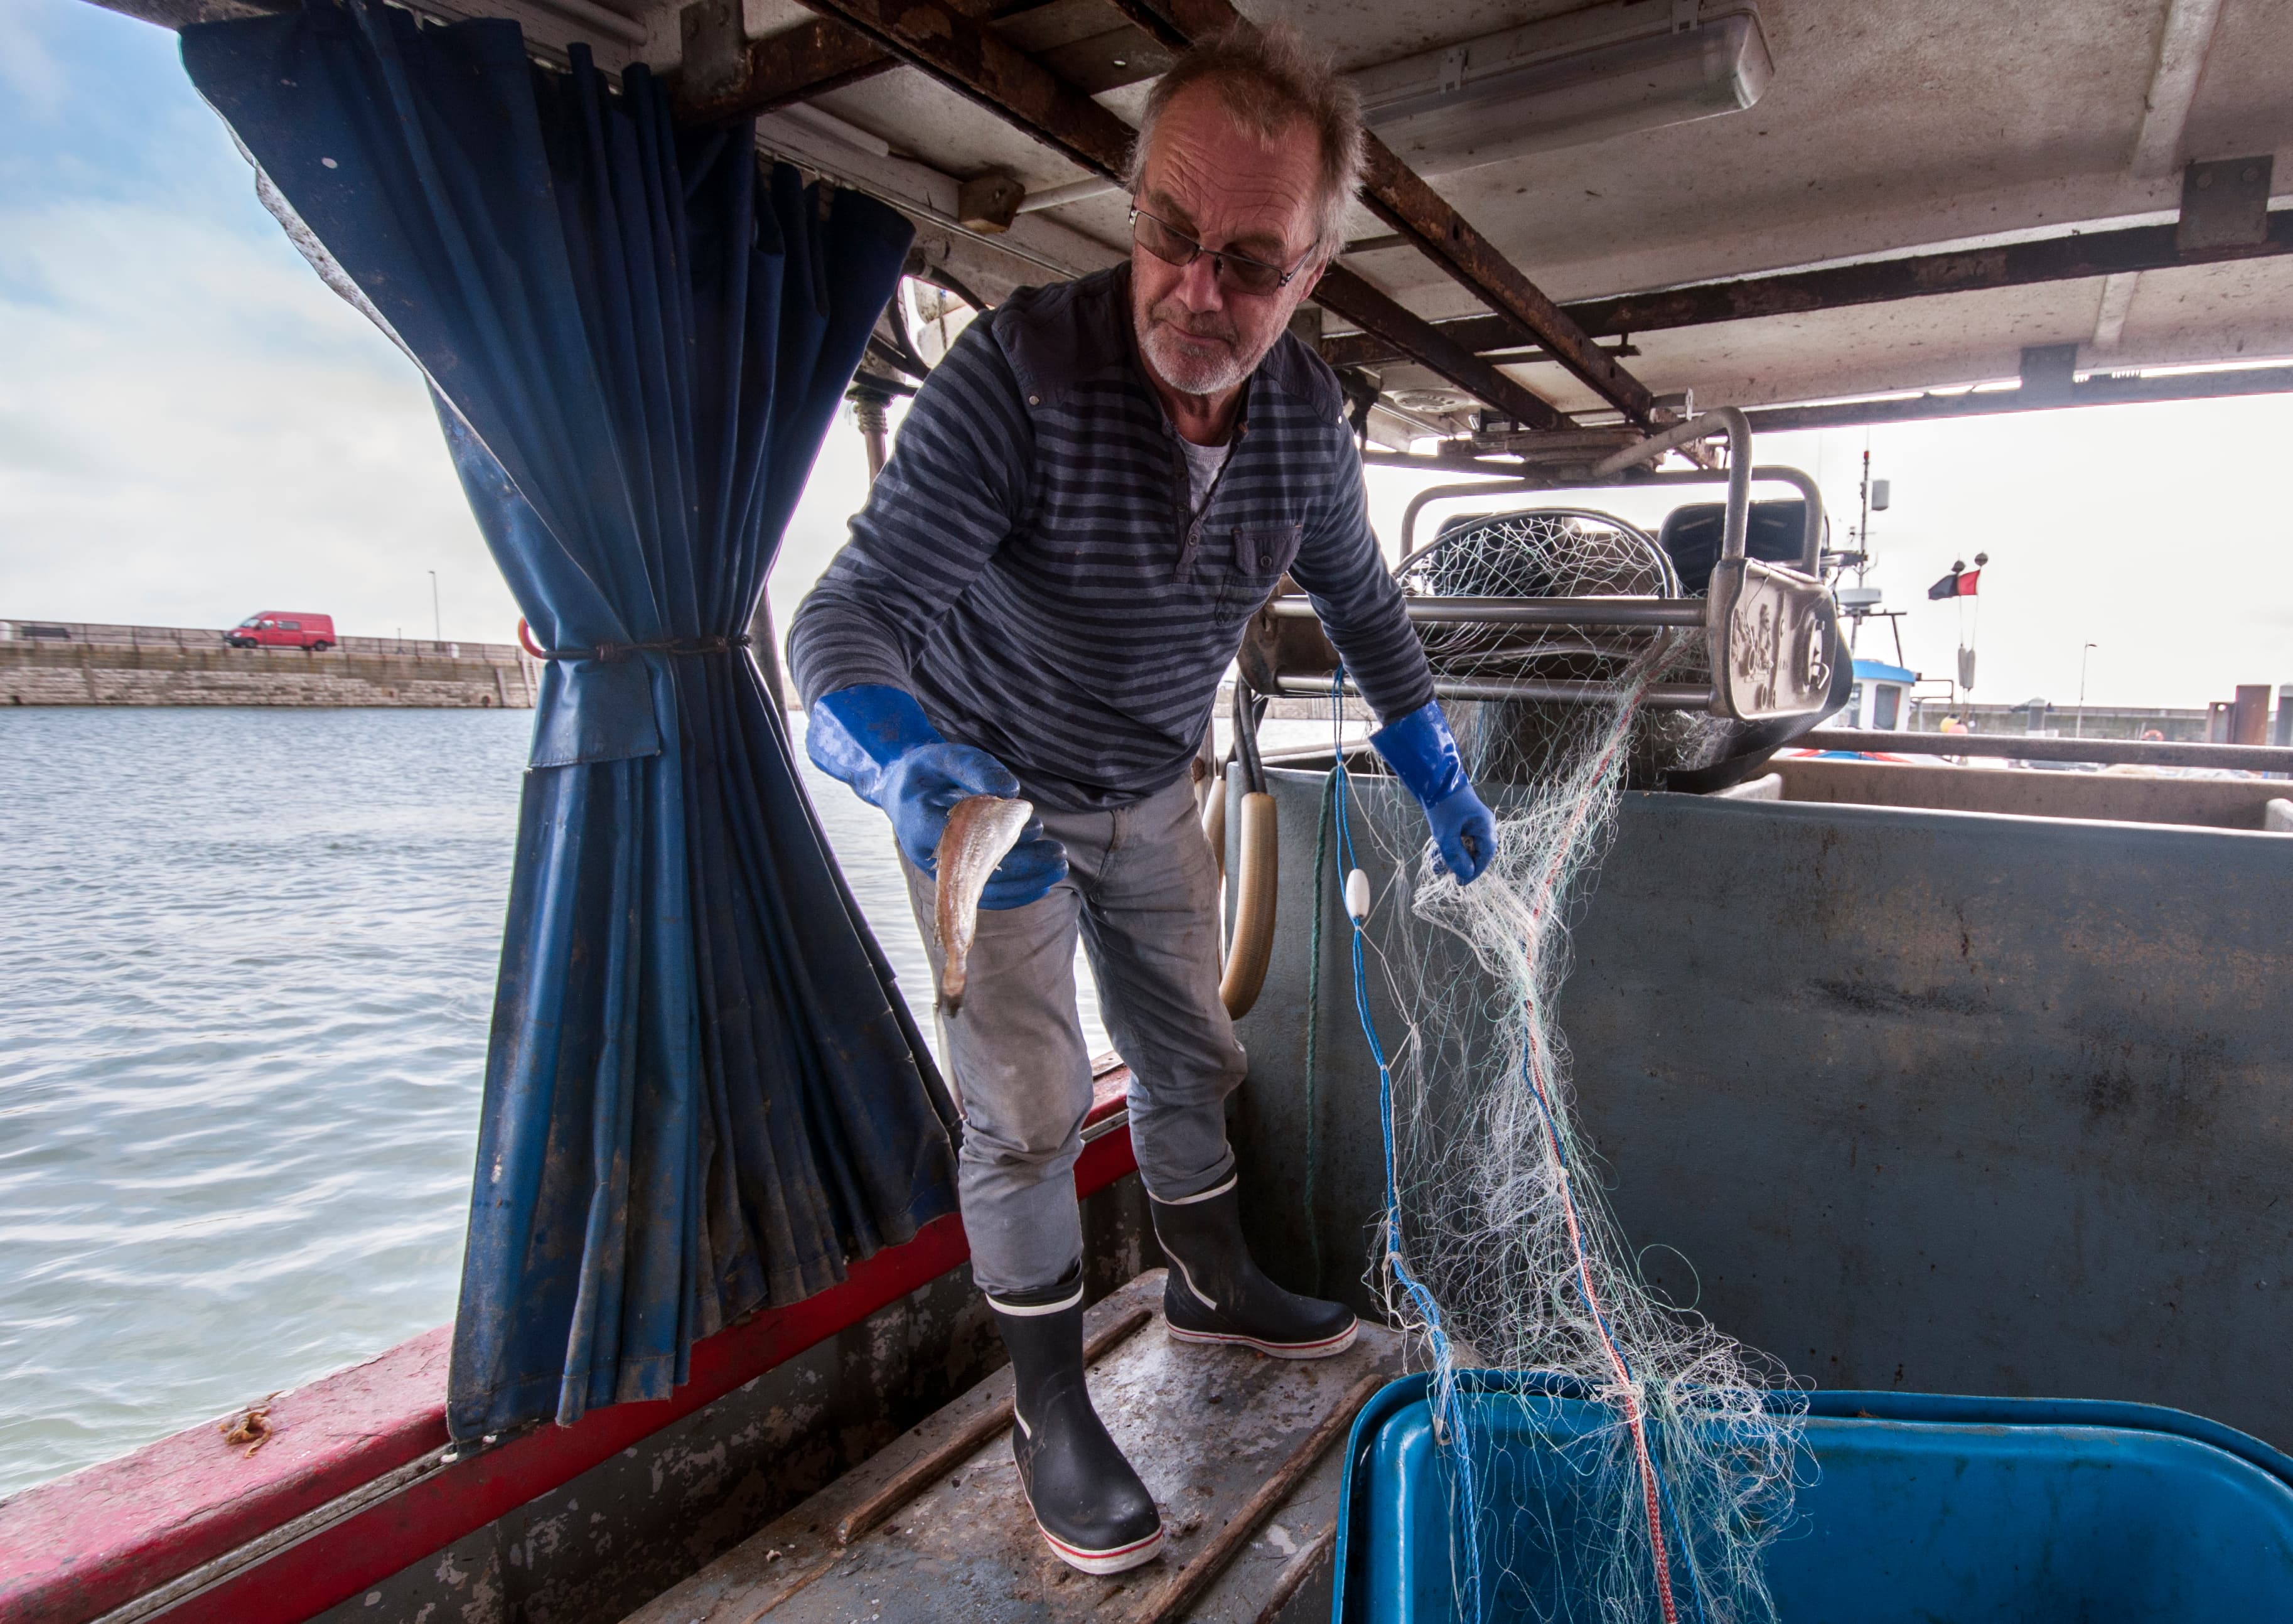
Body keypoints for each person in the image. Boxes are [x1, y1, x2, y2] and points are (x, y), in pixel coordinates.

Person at [788, 23, 1496, 1576]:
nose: (1198, 290)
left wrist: (1430, 753)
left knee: (1195, 1045)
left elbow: (1368, 605)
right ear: (1134, 212)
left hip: (1156, 783)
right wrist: (912, 765)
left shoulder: (1307, 424)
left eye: (1251, 262)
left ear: (1311, 273)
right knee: (1029, 1110)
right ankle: (1050, 1403)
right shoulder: (1021, 375)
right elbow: (840, 620)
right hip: (995, 795)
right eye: (1171, 236)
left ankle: (1213, 1275)